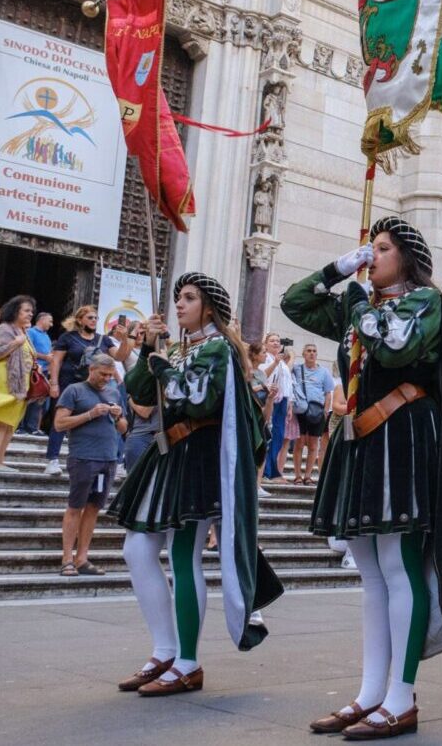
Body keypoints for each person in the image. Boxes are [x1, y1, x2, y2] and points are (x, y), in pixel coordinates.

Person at [283, 217, 442, 739]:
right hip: (362, 439)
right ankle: (369, 693)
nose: (372, 255)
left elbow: (393, 347)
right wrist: (339, 269)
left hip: (402, 436)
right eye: (369, 248)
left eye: (381, 249)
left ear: (406, 258)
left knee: (397, 563)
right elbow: (295, 304)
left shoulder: (424, 305)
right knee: (369, 569)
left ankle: (401, 696)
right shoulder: (356, 303)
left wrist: (361, 302)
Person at [109, 273, 281, 696]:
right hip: (168, 454)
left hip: (199, 458)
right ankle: (164, 650)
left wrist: (164, 364)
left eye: (189, 298)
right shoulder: (182, 349)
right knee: (136, 548)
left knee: (184, 556)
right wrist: (150, 349)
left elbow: (196, 397)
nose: (179, 304)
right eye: (178, 298)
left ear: (208, 308)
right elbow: (142, 395)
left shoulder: (219, 348)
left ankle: (187, 661)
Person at [55, 352, 127, 576]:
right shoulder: (74, 390)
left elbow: (124, 428)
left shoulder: (114, 392)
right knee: (75, 506)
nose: (107, 378)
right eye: (103, 374)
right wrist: (90, 414)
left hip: (108, 458)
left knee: (94, 508)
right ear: (91, 370)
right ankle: (67, 557)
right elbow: (59, 424)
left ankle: (82, 557)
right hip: (83, 457)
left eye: (110, 375)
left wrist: (117, 416)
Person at [47, 307, 131, 476]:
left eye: (96, 318)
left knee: (106, 419)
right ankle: (53, 459)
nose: (94, 320)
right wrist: (54, 383)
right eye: (90, 317)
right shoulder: (68, 338)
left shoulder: (104, 339)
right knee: (61, 419)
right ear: (80, 320)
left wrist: (125, 340)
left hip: (95, 386)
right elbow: (56, 361)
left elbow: (120, 357)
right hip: (70, 382)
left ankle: (112, 459)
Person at [0, 296, 37, 472]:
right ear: (15, 311)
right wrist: (14, 343)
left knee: (10, 423)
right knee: (1, 421)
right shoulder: (5, 329)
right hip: (5, 380)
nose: (30, 314)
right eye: (26, 310)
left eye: (31, 311)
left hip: (20, 382)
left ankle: (0, 460)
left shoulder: (22, 331)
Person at [292, 343, 337, 485]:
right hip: (301, 410)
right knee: (299, 444)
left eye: (314, 351)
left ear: (317, 355)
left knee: (313, 445)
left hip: (317, 412)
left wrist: (325, 411)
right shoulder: (297, 369)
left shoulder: (324, 372)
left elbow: (328, 393)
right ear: (303, 354)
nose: (312, 353)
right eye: (309, 351)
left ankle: (308, 476)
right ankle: (298, 475)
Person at [258, 333, 292, 482]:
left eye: (278, 341)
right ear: (265, 344)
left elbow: (288, 384)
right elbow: (263, 377)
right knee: (270, 435)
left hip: (282, 400)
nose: (276, 343)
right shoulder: (265, 359)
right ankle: (267, 471)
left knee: (278, 435)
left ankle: (273, 470)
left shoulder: (283, 363)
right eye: (272, 341)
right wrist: (275, 363)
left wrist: (290, 404)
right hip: (270, 399)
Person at [18, 312, 55, 435]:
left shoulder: (47, 336)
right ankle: (21, 427)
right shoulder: (31, 332)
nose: (51, 324)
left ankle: (32, 427)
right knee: (28, 397)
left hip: (43, 371)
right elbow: (28, 350)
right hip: (32, 369)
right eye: (49, 321)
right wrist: (45, 357)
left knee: (38, 400)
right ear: (42, 320)